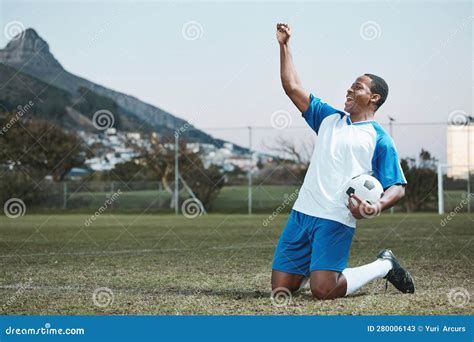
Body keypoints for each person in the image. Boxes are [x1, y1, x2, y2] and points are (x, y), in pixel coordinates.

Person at [272, 23, 415, 299]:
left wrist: (376, 205)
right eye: (350, 86)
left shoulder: (379, 138)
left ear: (374, 98)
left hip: (337, 217)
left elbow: (397, 186)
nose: (349, 90)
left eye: (357, 87)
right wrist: (284, 45)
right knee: (281, 289)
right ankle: (314, 268)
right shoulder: (328, 118)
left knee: (324, 291)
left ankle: (384, 265)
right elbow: (291, 86)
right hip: (302, 213)